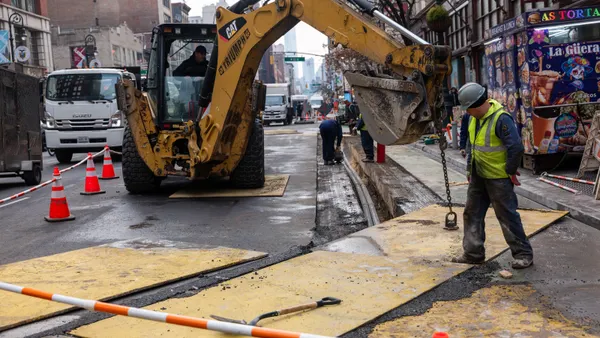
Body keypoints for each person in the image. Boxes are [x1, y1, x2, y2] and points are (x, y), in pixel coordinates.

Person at [452, 82, 533, 269]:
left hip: (498, 178)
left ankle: (523, 254)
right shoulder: (474, 119)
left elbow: (516, 147)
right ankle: (473, 253)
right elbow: (472, 145)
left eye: (468, 109)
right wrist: (469, 170)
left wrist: (511, 172)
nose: (467, 112)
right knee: (471, 214)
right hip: (478, 176)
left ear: (477, 105)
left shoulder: (501, 119)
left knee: (507, 215)